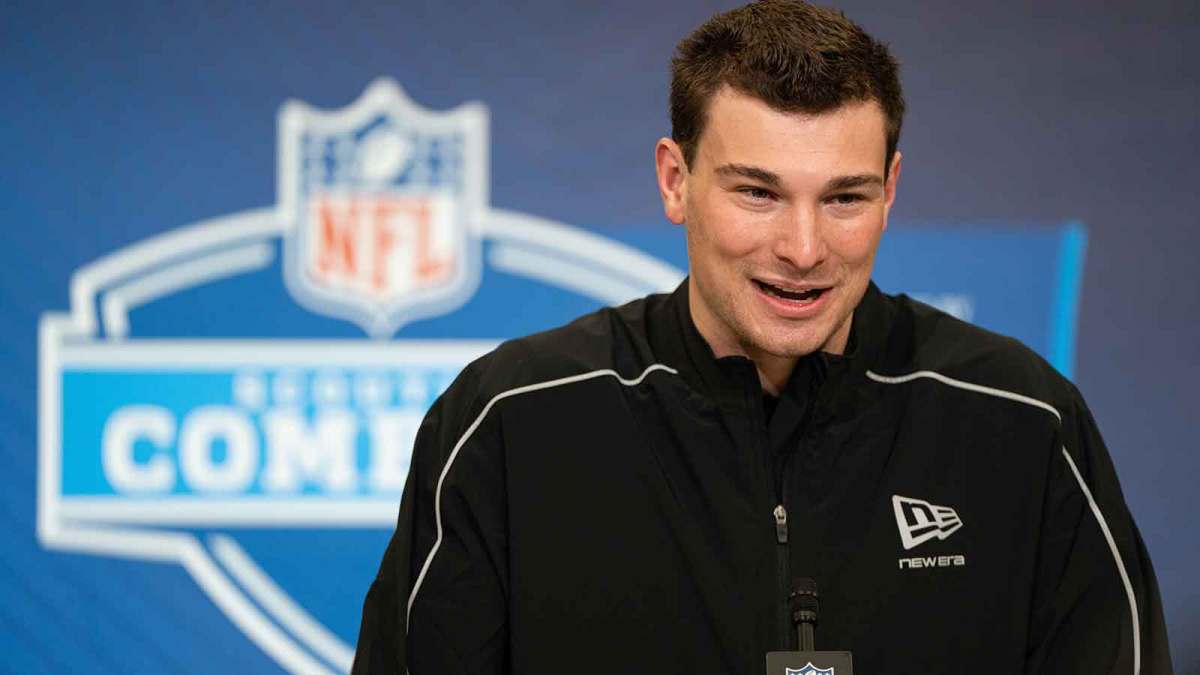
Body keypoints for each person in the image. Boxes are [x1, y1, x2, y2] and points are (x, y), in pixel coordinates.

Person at [353, 1, 1172, 673]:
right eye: (758, 193)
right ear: (677, 181)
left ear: (890, 190)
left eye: (845, 198)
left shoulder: (1022, 422)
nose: (804, 249)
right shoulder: (509, 422)